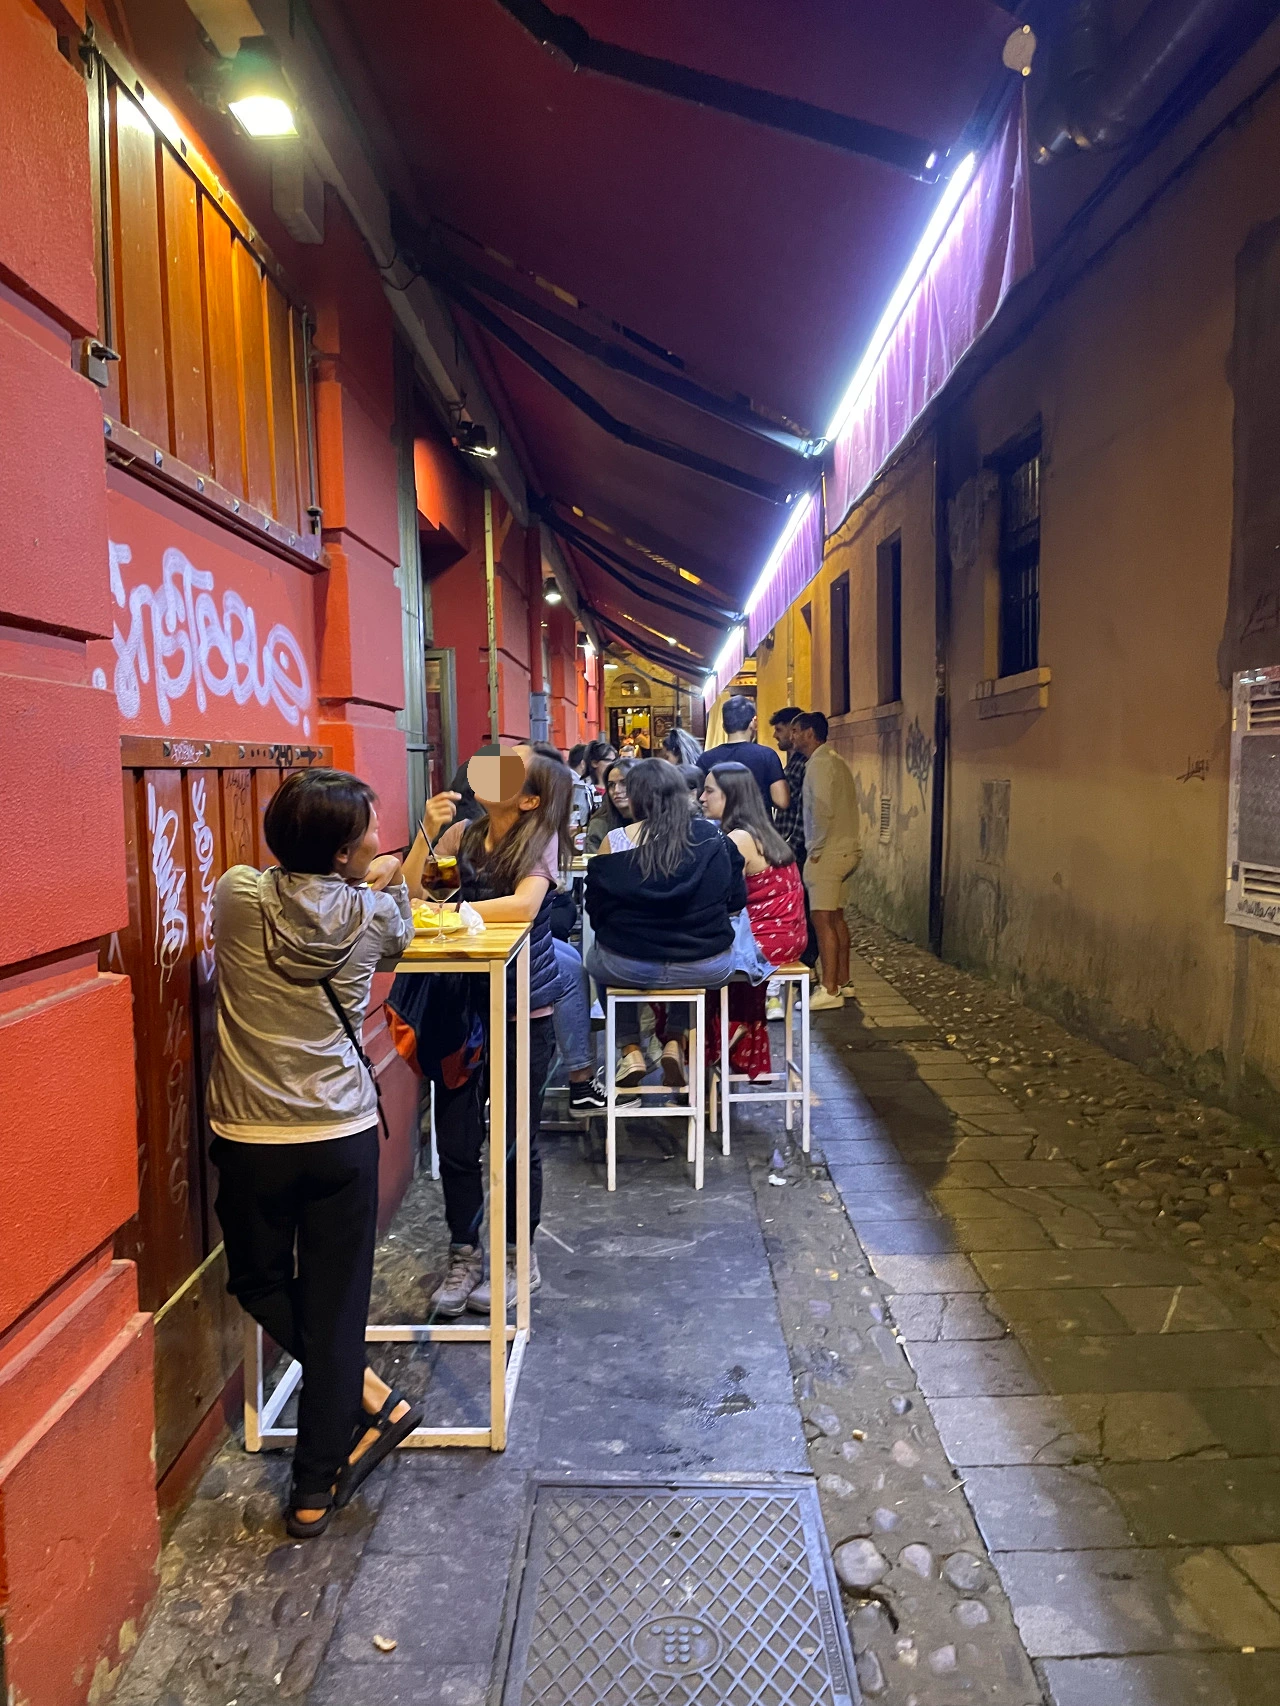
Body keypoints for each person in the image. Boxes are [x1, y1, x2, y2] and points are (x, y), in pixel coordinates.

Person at [207, 768, 455, 1539]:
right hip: (341, 1131)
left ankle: (368, 1397)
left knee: (256, 1280)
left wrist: (348, 870)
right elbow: (398, 932)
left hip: (251, 1134)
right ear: (346, 855)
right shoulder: (376, 915)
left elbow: (278, 882)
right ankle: (315, 1488)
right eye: (370, 830)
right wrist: (387, 878)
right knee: (336, 1304)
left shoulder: (237, 897)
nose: (380, 839)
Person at [403, 750, 572, 1315]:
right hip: (458, 1008)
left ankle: (520, 1256)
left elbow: (524, 906)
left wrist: (454, 917)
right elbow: (413, 896)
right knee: (455, 1142)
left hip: (522, 1010)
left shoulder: (540, 839)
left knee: (515, 1142)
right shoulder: (462, 834)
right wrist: (426, 835)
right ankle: (464, 1253)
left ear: (529, 799)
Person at [585, 757, 746, 1088]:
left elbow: (596, 911)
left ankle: (630, 1049)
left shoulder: (614, 841)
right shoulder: (713, 838)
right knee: (682, 956)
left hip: (628, 966)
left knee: (598, 956)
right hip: (706, 965)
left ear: (637, 798)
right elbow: (736, 899)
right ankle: (675, 1039)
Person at [701, 762, 807, 1078]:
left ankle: (712, 1043)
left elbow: (717, 898)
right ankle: (731, 1036)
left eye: (709, 791)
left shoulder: (737, 839)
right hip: (790, 936)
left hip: (767, 939)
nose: (702, 798)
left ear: (730, 796)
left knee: (695, 965)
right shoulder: (763, 831)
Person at [793, 712, 861, 1009]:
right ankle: (844, 982)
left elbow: (821, 809)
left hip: (828, 851)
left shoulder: (818, 765)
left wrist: (816, 849)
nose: (793, 736)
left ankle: (829, 989)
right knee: (836, 918)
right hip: (846, 847)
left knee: (821, 920)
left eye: (796, 731)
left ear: (810, 733)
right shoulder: (836, 760)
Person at [770, 706, 819, 978]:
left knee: (805, 908)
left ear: (793, 730)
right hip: (791, 843)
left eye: (779, 730)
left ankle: (807, 963)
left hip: (796, 846)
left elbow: (803, 807)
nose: (776, 736)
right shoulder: (795, 762)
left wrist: (793, 845)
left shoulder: (803, 764)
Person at [696, 694, 789, 815]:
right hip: (757, 823)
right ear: (753, 723)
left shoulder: (705, 758)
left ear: (724, 726)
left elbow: (699, 798)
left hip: (721, 824)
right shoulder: (767, 755)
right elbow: (781, 801)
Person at [584, 756, 636, 853]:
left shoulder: (654, 821)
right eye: (611, 785)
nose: (616, 790)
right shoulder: (600, 824)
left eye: (624, 783)